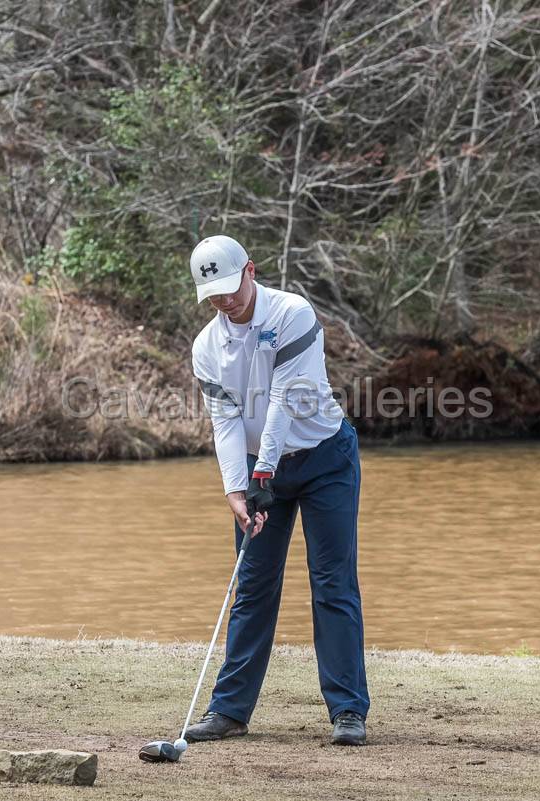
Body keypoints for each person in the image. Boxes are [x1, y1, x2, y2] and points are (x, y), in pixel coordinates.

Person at [185, 234, 369, 746]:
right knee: (253, 585)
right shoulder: (206, 347)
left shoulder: (293, 314)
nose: (226, 300)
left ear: (251, 270)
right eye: (214, 294)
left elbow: (284, 402)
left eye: (230, 286)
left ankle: (348, 712)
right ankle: (229, 711)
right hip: (256, 469)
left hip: (324, 459)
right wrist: (236, 490)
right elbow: (224, 421)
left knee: (332, 582)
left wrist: (263, 473)